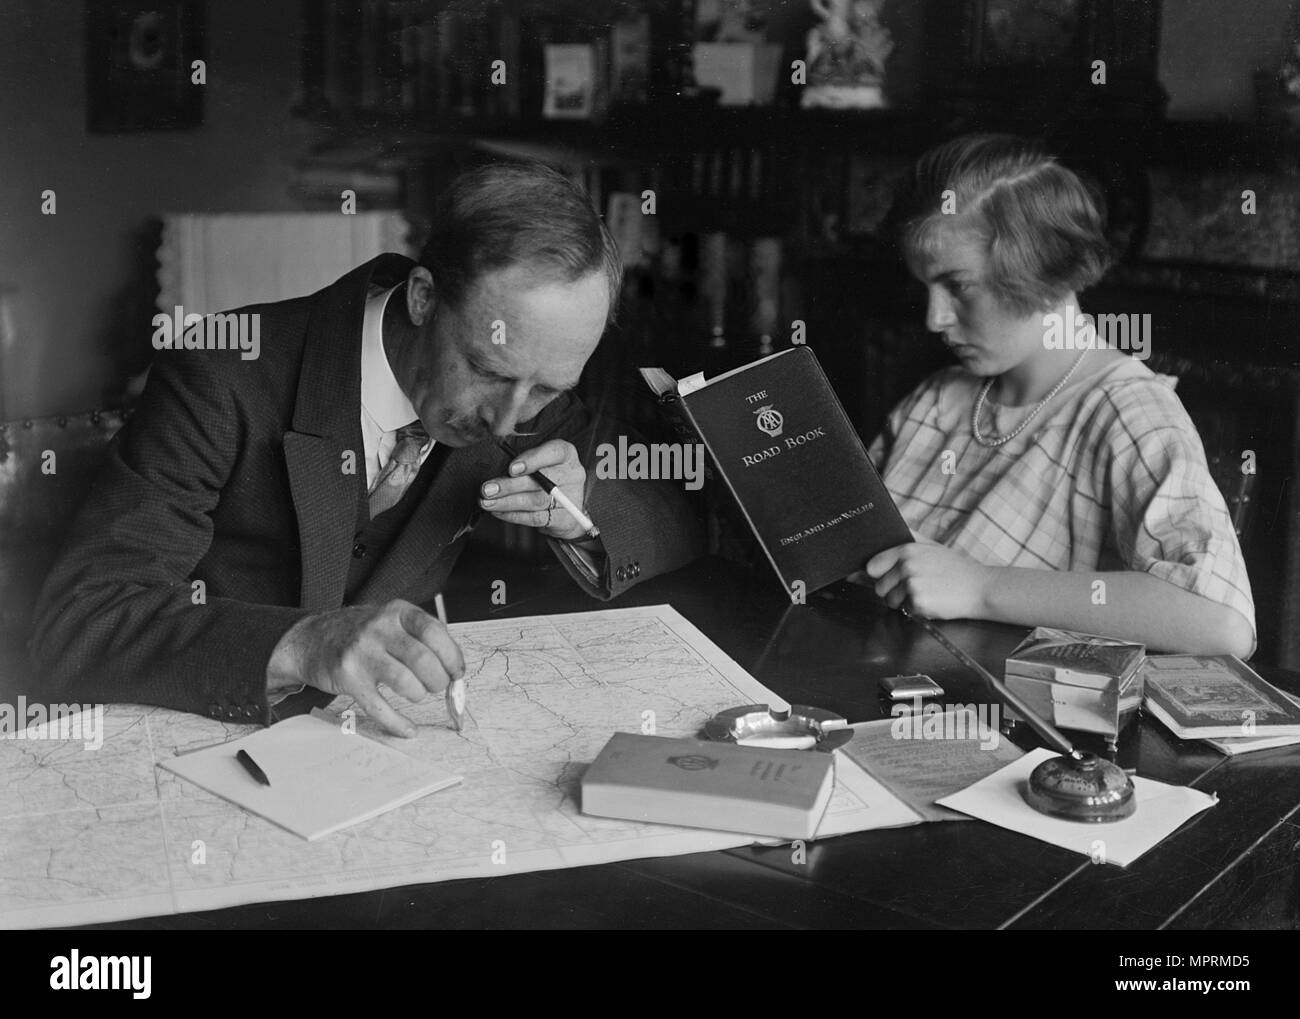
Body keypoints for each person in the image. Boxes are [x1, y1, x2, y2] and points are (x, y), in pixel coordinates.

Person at [31, 162, 703, 736]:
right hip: (211, 736)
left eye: (546, 388)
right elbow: (85, 619)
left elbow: (681, 507)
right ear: (422, 298)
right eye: (489, 371)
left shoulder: (530, 383)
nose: (508, 419)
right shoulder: (220, 373)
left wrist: (581, 509)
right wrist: (302, 642)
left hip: (381, 756)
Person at [862, 134, 1255, 657]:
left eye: (958, 286)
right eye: (926, 289)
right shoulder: (936, 399)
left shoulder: (1126, 412)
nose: (934, 319)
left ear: (1040, 266)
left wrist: (981, 588)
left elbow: (1221, 622)